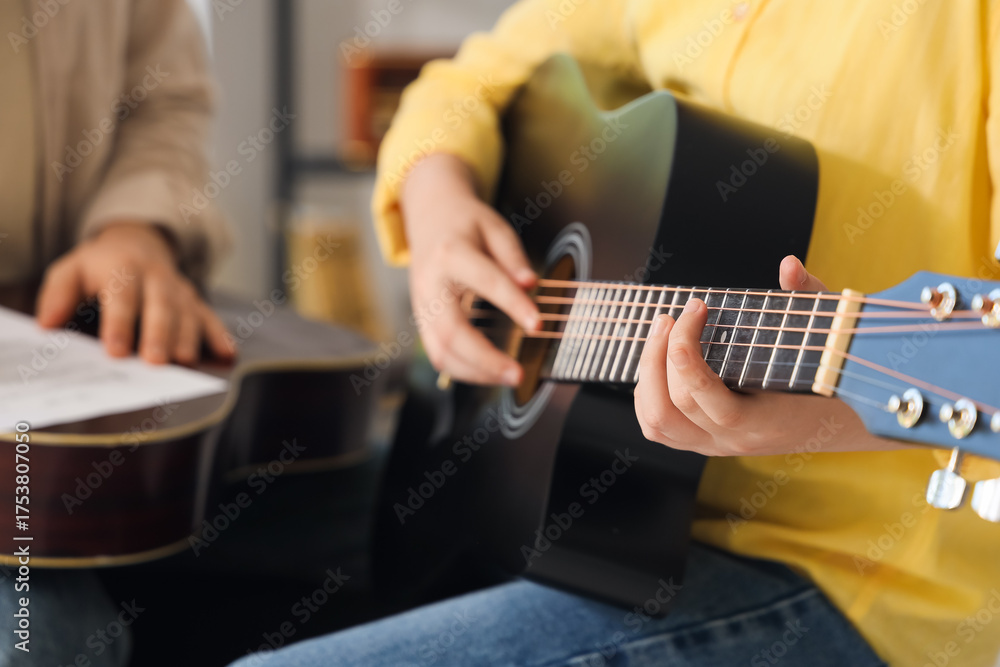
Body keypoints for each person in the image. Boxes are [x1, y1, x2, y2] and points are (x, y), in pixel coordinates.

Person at [231, 1, 1000, 665]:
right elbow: (474, 77)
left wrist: (822, 418)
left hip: (860, 582)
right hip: (591, 495)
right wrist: (436, 207)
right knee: (211, 526)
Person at [0, 1, 229, 665]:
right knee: (42, 638)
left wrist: (134, 226)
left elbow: (168, 102)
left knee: (378, 511)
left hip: (79, 370)